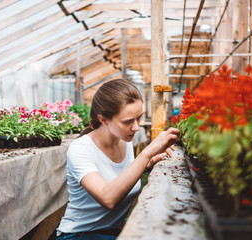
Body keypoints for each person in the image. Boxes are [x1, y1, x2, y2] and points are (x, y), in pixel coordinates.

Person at [55, 79, 180, 240]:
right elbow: (108, 198)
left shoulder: (124, 140)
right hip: (79, 235)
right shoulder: (81, 149)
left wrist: (147, 164)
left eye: (139, 118)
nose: (136, 127)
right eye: (128, 121)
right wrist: (146, 153)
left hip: (113, 234)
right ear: (103, 120)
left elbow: (120, 176)